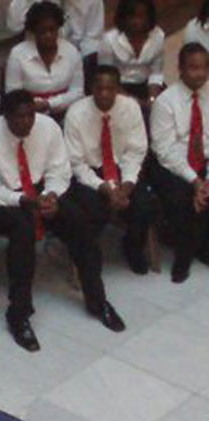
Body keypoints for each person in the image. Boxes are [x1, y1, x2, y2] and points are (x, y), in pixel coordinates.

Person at [0, 90, 125, 352]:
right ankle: (19, 314)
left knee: (79, 224)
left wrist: (50, 196)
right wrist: (25, 202)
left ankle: (97, 300)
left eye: (30, 115)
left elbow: (59, 170)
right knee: (22, 232)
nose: (26, 122)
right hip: (3, 200)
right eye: (19, 117)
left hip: (43, 191)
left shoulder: (48, 127)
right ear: (5, 116)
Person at [64, 64, 158, 274]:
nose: (105, 94)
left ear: (118, 88)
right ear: (91, 88)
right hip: (91, 173)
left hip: (123, 168)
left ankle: (132, 247)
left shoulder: (130, 108)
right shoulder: (76, 114)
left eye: (110, 89)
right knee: (94, 210)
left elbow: (136, 151)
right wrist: (104, 188)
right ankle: (88, 256)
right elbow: (77, 164)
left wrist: (126, 186)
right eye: (100, 89)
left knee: (144, 206)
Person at [149, 43, 209, 283]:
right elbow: (165, 150)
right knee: (181, 197)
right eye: (193, 68)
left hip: (203, 160)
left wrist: (206, 181)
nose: (200, 74)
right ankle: (183, 255)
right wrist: (195, 181)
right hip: (171, 164)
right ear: (181, 69)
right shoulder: (166, 102)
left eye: (204, 67)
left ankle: (203, 245)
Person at [5, 1, 85, 120]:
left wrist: (50, 104)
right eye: (42, 31)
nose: (48, 35)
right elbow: (13, 94)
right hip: (29, 117)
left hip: (66, 115)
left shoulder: (71, 52)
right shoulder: (18, 54)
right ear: (33, 31)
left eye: (52, 30)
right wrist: (34, 105)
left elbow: (78, 91)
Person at [7, 0, 104, 87]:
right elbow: (14, 26)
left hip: (77, 60)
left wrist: (77, 65)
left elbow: (92, 40)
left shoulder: (93, 2)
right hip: (34, 61)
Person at [98, 0, 164, 110]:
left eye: (142, 16)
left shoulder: (158, 36)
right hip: (119, 88)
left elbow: (156, 73)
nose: (137, 21)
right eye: (132, 16)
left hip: (147, 85)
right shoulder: (109, 40)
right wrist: (136, 102)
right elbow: (107, 78)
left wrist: (152, 99)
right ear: (123, 17)